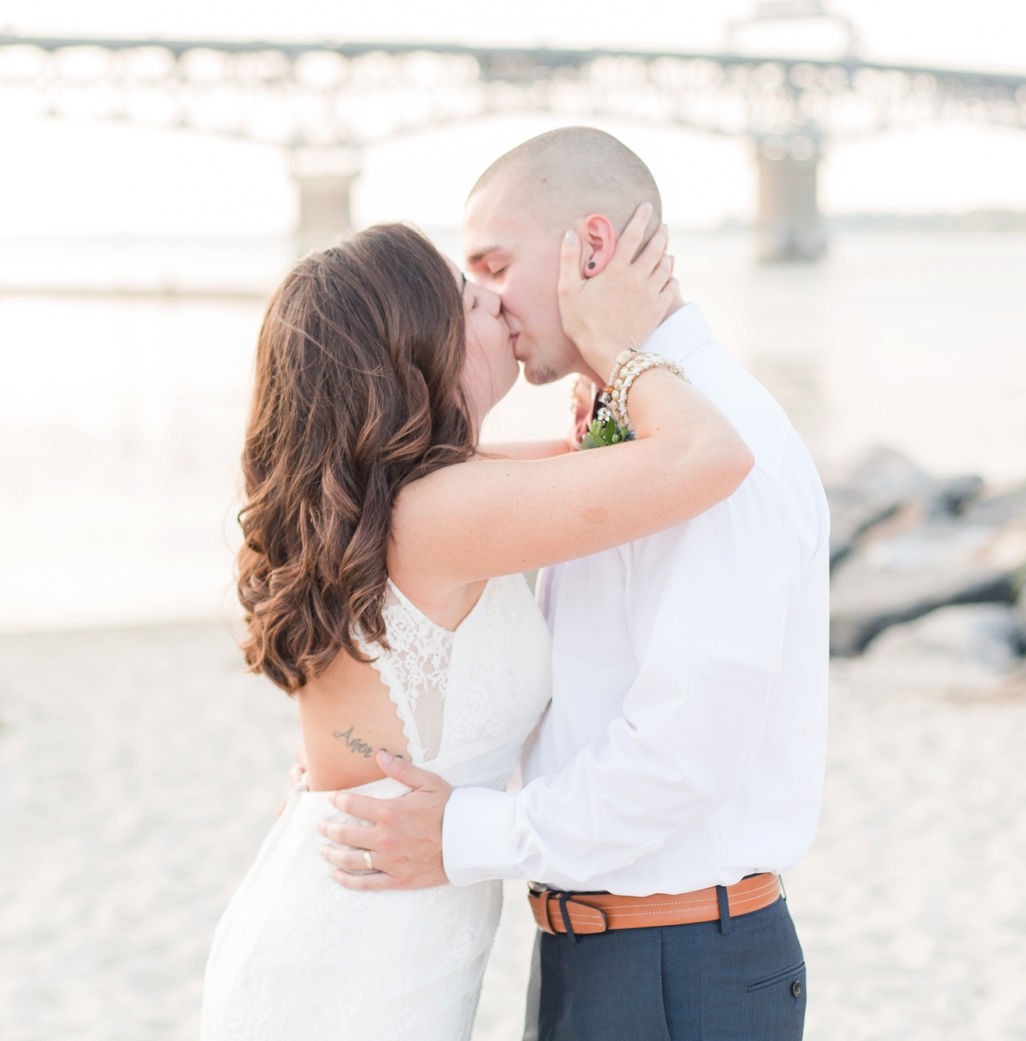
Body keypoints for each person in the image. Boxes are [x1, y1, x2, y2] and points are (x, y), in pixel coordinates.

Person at [322, 127, 831, 1041]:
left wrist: (464, 836)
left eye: (493, 262)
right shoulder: (632, 438)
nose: (477, 298)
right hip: (596, 951)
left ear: (590, 248)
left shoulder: (721, 446)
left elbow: (682, 757)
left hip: (677, 965)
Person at [200, 205, 756, 1040]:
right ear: (419, 353)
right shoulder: (438, 513)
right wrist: (615, 347)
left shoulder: (411, 494)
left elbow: (598, 466)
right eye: (470, 299)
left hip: (362, 923)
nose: (498, 305)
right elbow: (707, 455)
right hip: (359, 958)